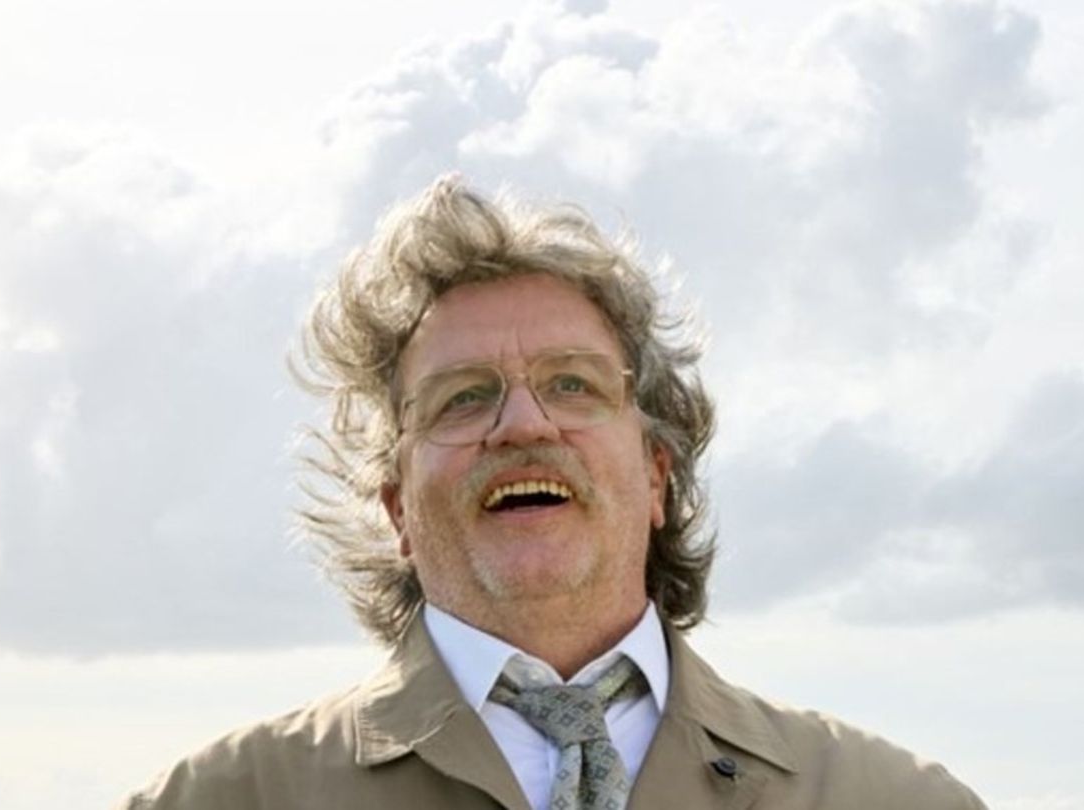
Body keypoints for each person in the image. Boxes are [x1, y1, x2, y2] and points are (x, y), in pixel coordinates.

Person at [117, 175, 986, 809]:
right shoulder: (218, 800)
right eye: (463, 397)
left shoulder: (894, 800)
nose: (524, 424)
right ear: (397, 510)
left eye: (573, 384)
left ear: (657, 473)